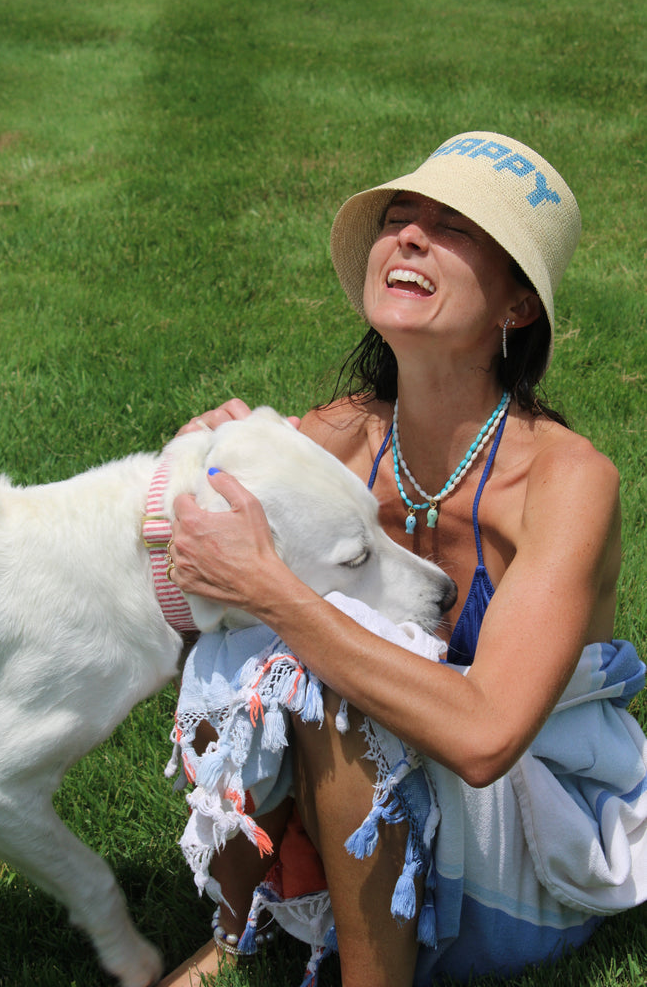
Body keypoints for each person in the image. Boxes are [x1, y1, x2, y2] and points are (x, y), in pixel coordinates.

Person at [158, 132, 647, 987]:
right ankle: (239, 930)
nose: (411, 236)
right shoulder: (339, 438)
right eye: (399, 217)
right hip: (382, 810)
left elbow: (488, 737)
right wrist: (192, 469)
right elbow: (179, 574)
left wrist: (276, 592)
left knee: (315, 667)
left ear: (516, 307)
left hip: (532, 839)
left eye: (453, 227)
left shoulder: (567, 481)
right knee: (235, 645)